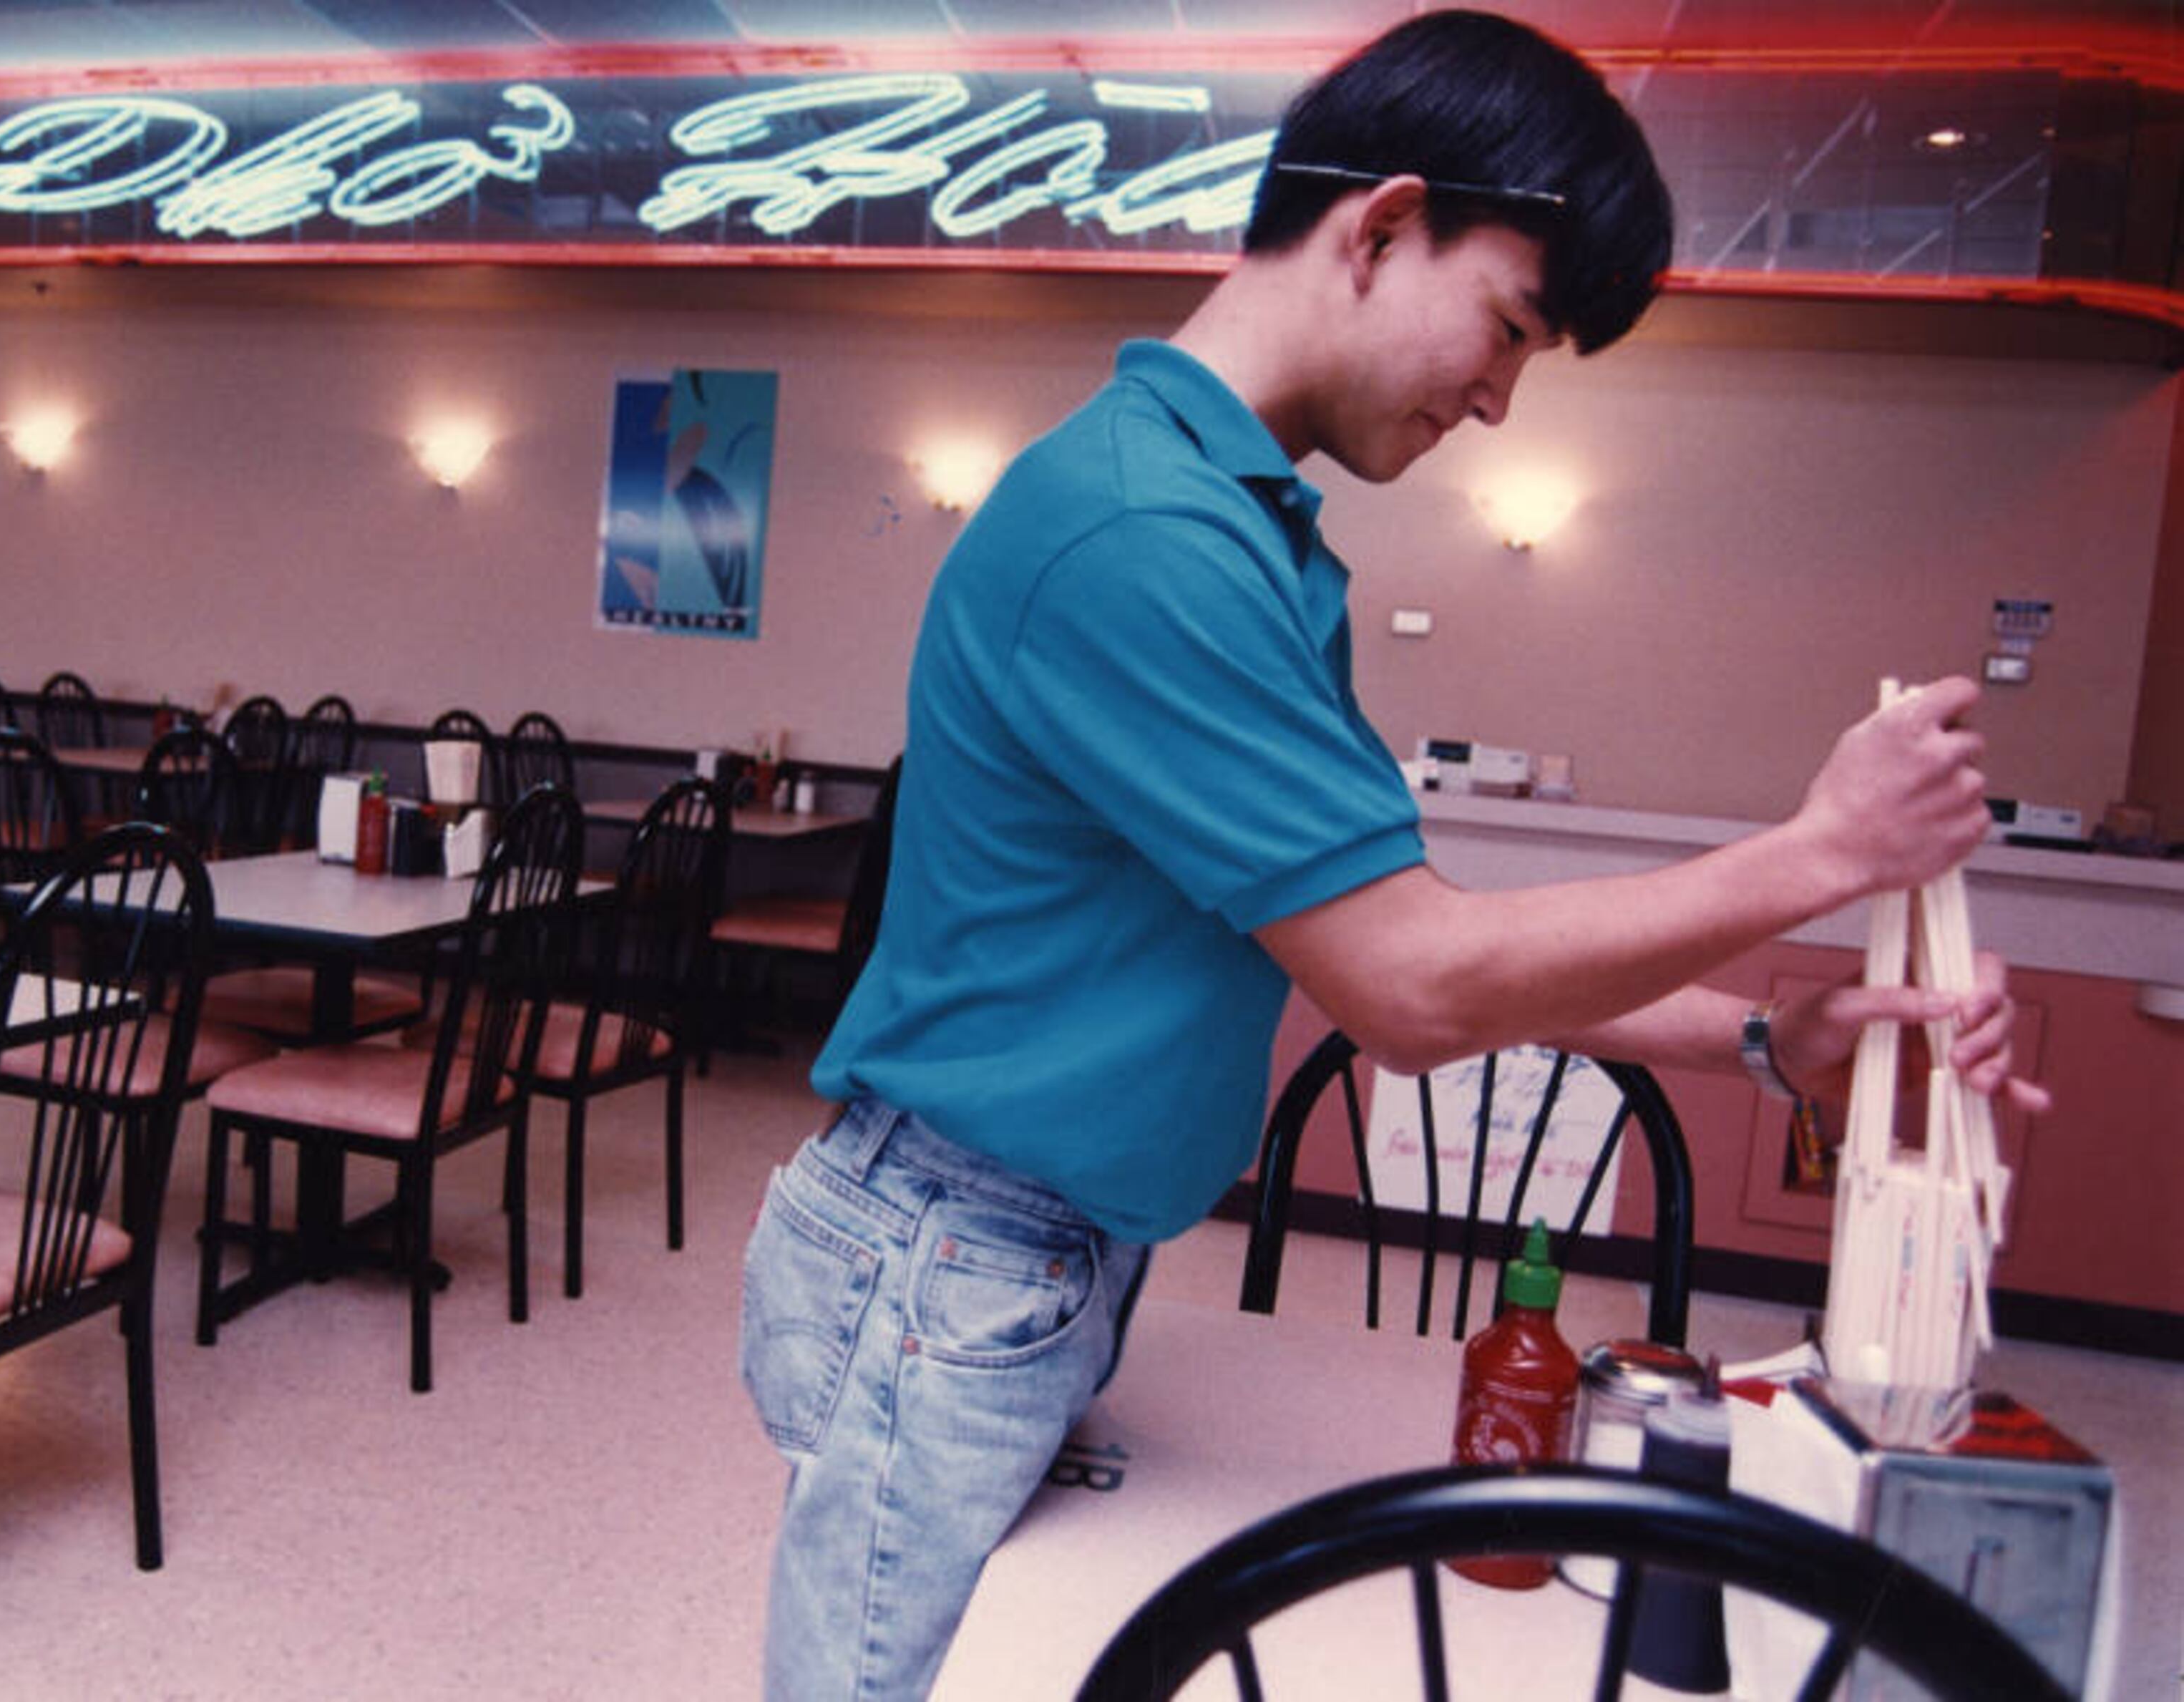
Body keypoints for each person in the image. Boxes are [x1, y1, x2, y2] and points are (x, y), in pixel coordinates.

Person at [733, 11, 2050, 1701]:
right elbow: (1417, 989)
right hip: (959, 1254)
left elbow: (1411, 938)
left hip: (1034, 1253)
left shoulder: (1240, 527)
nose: (1500, 400)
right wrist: (1821, 853)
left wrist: (1753, 1039)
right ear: (1378, 225)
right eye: (1507, 326)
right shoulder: (1145, 534)